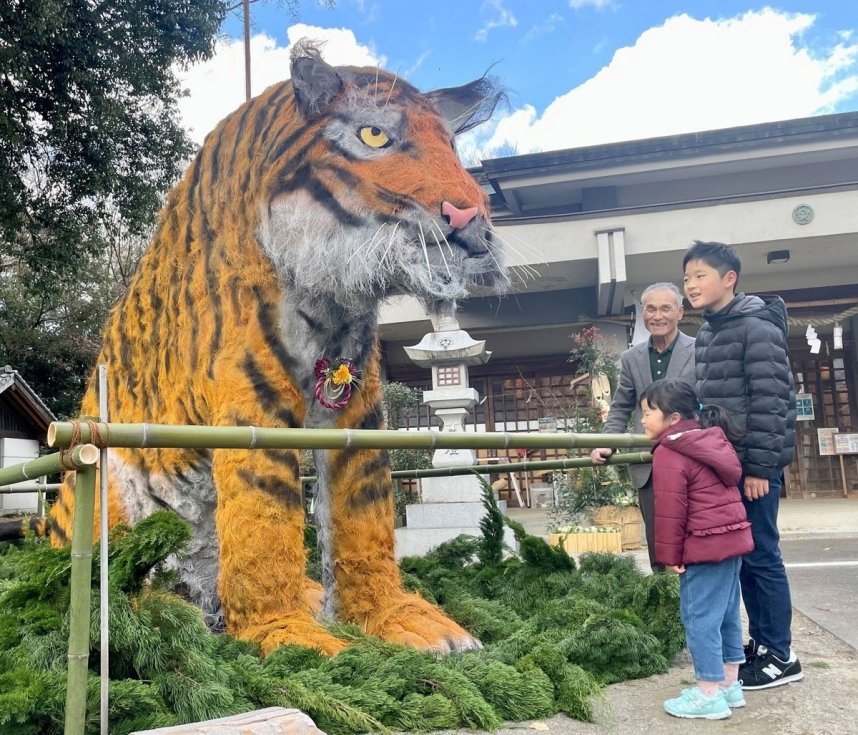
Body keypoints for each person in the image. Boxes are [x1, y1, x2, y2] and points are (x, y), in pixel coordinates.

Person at [683, 240, 802, 691]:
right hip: (728, 464)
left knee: (762, 556)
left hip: (752, 467)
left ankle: (781, 654)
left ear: (729, 278)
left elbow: (774, 402)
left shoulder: (755, 326)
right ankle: (762, 643)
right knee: (744, 557)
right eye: (687, 278)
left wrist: (758, 468)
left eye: (700, 276)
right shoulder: (713, 329)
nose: (690, 285)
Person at [641, 379, 753, 720]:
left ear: (673, 418)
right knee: (727, 615)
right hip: (732, 540)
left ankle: (708, 695)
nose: (643, 420)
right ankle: (729, 686)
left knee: (699, 618)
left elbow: (671, 510)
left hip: (703, 546)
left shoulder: (670, 450)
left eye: (648, 413)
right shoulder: (710, 439)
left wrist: (670, 556)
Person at [590, 283, 695, 571]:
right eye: (651, 308)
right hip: (647, 461)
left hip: (690, 459)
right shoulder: (631, 358)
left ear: (680, 312)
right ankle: (661, 600)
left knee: (692, 535)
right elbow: (622, 406)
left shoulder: (699, 350)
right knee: (657, 538)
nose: (657, 315)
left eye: (665, 308)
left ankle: (692, 603)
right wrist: (606, 442)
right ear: (642, 314)